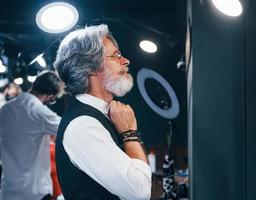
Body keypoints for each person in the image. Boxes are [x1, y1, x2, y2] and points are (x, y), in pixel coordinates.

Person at [54, 24, 151, 200]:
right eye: (116, 55)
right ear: (90, 66)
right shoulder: (83, 125)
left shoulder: (106, 115)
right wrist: (129, 134)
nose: (125, 61)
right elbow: (140, 191)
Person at [0, 71, 64, 200]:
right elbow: (69, 129)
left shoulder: (5, 109)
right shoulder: (39, 112)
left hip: (9, 192)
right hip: (34, 192)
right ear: (51, 96)